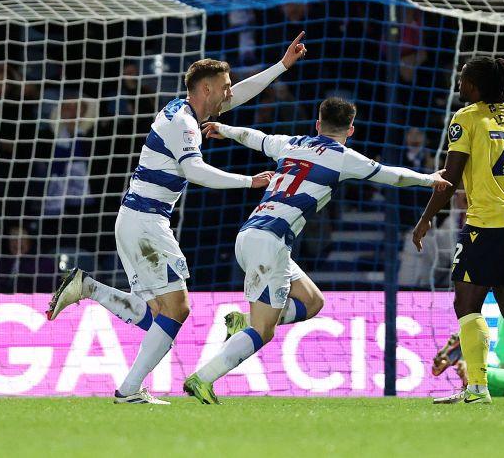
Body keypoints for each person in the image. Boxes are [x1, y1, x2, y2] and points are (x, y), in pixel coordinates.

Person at [46, 33, 309, 405]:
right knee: (178, 308)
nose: (229, 93)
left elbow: (241, 94)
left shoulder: (187, 110)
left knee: (158, 315)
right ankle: (128, 390)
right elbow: (196, 170)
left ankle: (88, 289)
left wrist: (282, 66)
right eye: (224, 87)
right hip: (145, 223)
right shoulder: (182, 124)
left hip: (140, 220)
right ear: (205, 89)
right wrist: (251, 181)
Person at [181, 97, 450, 404]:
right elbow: (394, 175)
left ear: (318, 125)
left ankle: (244, 321)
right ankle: (202, 378)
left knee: (312, 302)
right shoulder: (345, 158)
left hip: (251, 235)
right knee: (263, 331)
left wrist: (223, 129)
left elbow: (255, 138)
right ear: (350, 129)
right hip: (271, 242)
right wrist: (430, 179)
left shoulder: (292, 143)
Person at [412, 56, 504, 405]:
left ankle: (477, 387)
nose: (459, 86)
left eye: (463, 80)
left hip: (486, 222)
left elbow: (450, 178)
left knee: (466, 304)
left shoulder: (467, 118)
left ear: (475, 85)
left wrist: (426, 218)